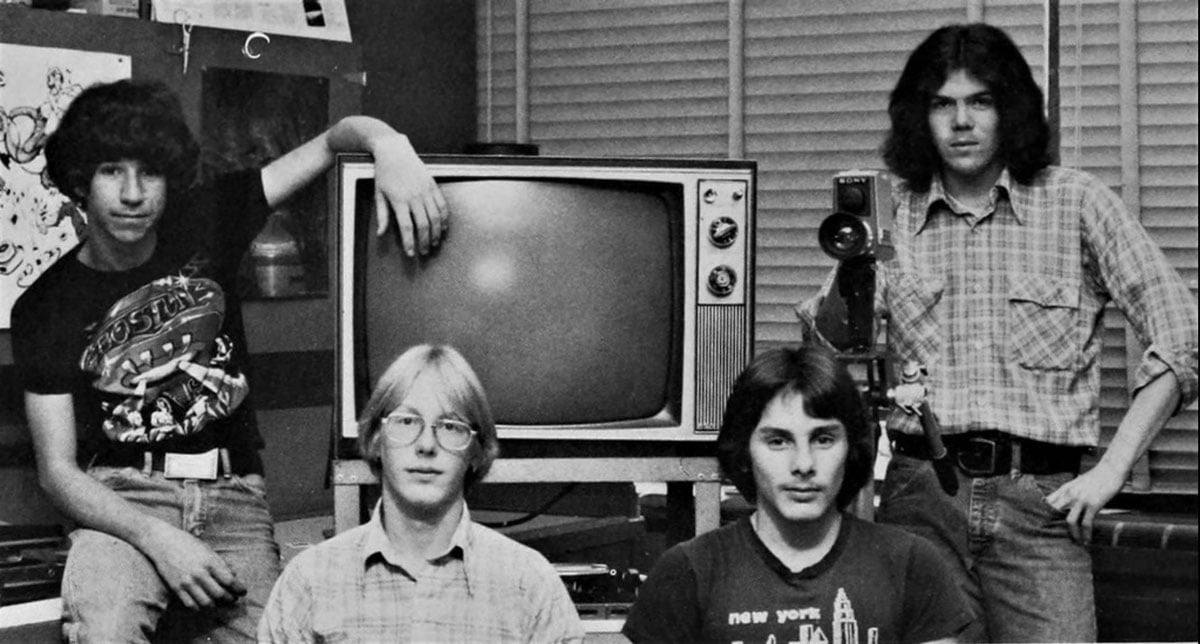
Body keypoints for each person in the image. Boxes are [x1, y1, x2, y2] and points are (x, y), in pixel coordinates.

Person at [797, 23, 1199, 643]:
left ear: (1008, 109)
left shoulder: (1077, 203)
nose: (961, 122)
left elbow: (1183, 335)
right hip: (918, 500)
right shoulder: (889, 216)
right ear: (919, 118)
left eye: (980, 101)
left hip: (1041, 505)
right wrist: (852, 269)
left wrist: (1114, 469)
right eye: (942, 104)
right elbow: (825, 362)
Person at [10, 79, 447, 642]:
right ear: (79, 182)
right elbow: (58, 472)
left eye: (151, 173)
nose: (133, 194)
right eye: (111, 171)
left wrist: (390, 145)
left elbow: (337, 139)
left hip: (233, 496)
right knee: (107, 629)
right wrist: (158, 538)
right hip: (121, 502)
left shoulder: (205, 219)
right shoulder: (45, 305)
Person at [622, 344, 973, 644]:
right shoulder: (687, 573)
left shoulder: (911, 565)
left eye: (823, 439)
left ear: (851, 447)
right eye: (778, 441)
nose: (803, 464)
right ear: (745, 450)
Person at [257, 343, 585, 642]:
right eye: (406, 421)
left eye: (451, 427)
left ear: (475, 451)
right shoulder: (309, 582)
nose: (427, 445)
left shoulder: (529, 583)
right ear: (374, 439)